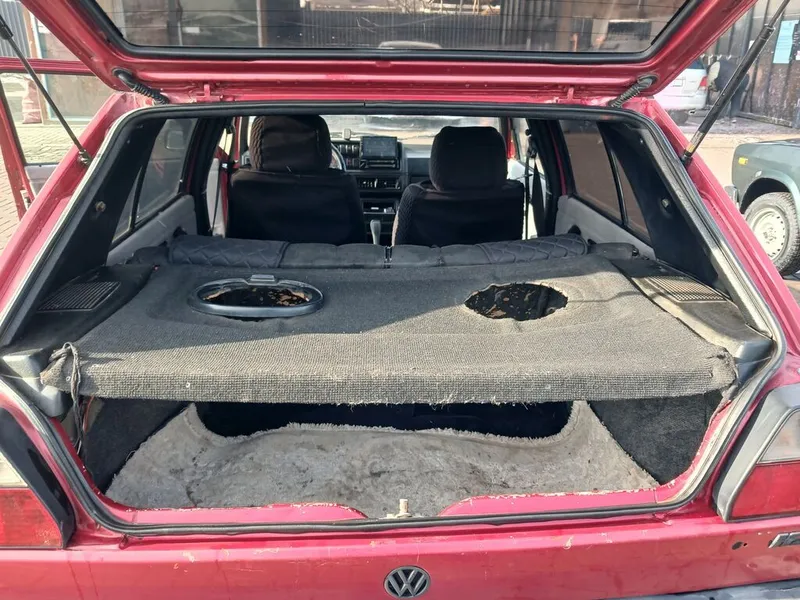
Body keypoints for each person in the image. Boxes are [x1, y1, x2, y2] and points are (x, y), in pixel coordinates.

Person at [708, 56, 750, 123]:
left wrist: (712, 88)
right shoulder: (728, 64)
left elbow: (712, 78)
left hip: (730, 80)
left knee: (724, 99)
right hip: (744, 78)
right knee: (736, 97)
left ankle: (720, 117)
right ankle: (733, 117)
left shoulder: (715, 65)